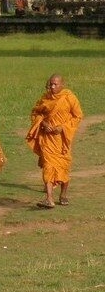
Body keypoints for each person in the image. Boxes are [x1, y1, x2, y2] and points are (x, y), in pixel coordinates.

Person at [27, 74, 83, 208]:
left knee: (63, 167)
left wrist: (62, 128)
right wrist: (42, 123)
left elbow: (78, 116)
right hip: (47, 139)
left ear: (62, 85)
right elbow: (36, 113)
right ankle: (49, 198)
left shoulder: (69, 98)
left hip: (62, 140)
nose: (52, 87)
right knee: (48, 166)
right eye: (50, 84)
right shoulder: (45, 98)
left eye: (55, 84)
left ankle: (63, 195)